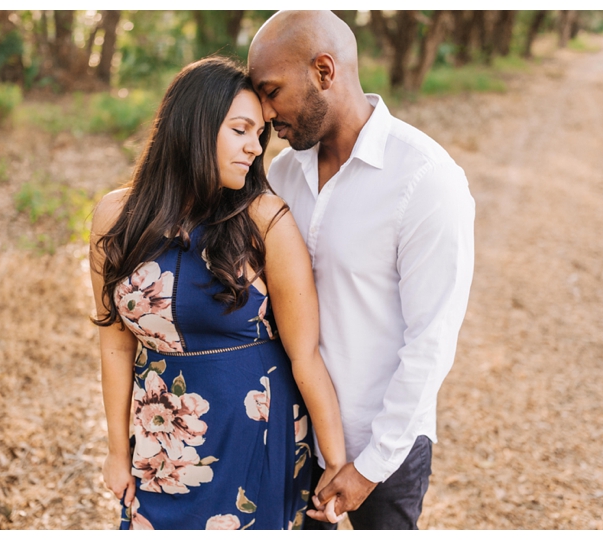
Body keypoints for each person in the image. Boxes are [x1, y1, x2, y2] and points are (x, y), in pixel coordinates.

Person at [88, 56, 346, 530]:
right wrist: (116, 452)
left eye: (259, 135)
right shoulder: (115, 215)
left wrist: (335, 464)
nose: (254, 148)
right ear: (194, 127)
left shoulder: (265, 219)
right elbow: (115, 342)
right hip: (161, 436)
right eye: (241, 130)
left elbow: (304, 354)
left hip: (256, 432)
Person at [248, 11, 475, 530]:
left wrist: (370, 467)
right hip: (292, 431)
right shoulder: (280, 173)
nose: (263, 112)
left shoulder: (425, 179)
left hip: (386, 447)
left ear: (324, 71)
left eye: (271, 90)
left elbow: (431, 338)